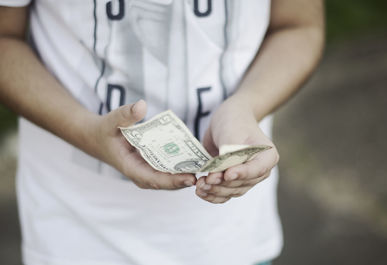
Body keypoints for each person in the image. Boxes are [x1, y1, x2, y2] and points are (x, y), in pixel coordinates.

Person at [0, 0, 324, 264]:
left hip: (229, 238)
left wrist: (247, 106)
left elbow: (298, 25)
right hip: (73, 235)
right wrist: (86, 132)